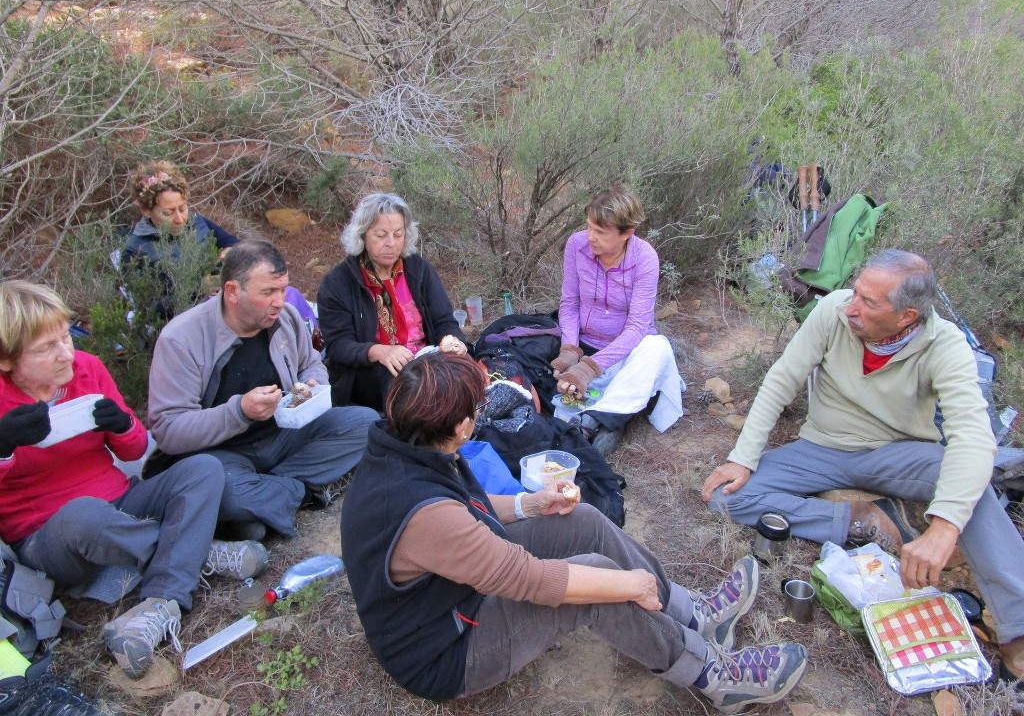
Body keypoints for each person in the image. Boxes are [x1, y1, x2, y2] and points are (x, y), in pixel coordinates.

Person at [342, 353, 807, 714]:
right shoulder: (423, 511)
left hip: (448, 594)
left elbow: (469, 509)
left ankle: (693, 613)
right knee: (597, 583)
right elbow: (530, 579)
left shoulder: (407, 444)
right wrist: (629, 584)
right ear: (462, 427)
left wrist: (532, 503)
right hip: (444, 649)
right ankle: (711, 674)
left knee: (579, 520)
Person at [701, 249, 1024, 686]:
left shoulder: (944, 344)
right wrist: (743, 457)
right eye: (856, 292)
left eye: (869, 302)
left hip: (900, 453)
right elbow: (782, 379)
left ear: (907, 316)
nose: (851, 307)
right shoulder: (834, 311)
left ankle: (1018, 634)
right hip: (821, 447)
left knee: (971, 484)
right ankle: (858, 519)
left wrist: (945, 525)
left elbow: (973, 436)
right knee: (725, 496)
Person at [0, 280, 266, 679]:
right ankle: (198, 553)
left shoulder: (87, 369)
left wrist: (123, 424)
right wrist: (3, 445)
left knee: (203, 468)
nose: (65, 354)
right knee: (83, 514)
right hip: (48, 536)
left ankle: (164, 595)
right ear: (7, 359)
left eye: (64, 338)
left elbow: (133, 450)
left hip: (122, 500)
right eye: (46, 348)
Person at [148, 240, 377, 542]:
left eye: (282, 290)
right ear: (232, 291)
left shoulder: (287, 318)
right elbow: (168, 430)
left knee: (366, 424)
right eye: (267, 292)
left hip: (283, 434)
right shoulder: (182, 339)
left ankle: (266, 501)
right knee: (224, 490)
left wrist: (311, 384)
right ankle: (296, 493)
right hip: (222, 453)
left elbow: (311, 364)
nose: (279, 301)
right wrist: (239, 411)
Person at [552, 184, 684, 455]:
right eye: (589, 227)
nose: (591, 237)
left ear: (627, 234)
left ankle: (594, 421)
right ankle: (612, 420)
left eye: (600, 232)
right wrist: (569, 352)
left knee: (658, 348)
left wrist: (588, 369)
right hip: (585, 346)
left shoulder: (645, 258)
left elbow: (637, 327)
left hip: (627, 353)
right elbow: (569, 303)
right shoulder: (577, 245)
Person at [122, 160, 320, 333]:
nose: (180, 219)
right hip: (190, 318)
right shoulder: (136, 249)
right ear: (146, 210)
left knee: (288, 295)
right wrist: (199, 289)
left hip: (222, 298)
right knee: (259, 308)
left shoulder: (196, 223)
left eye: (182, 208)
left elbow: (235, 244)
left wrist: (230, 253)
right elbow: (147, 310)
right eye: (168, 213)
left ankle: (310, 346)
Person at [317, 192, 467, 411]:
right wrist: (380, 351)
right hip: (372, 371)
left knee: (464, 369)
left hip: (426, 360)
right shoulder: (338, 282)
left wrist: (453, 342)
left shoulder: (417, 269)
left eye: (398, 235)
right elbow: (339, 345)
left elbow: (444, 319)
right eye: (381, 235)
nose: (391, 243)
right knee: (403, 382)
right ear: (362, 235)